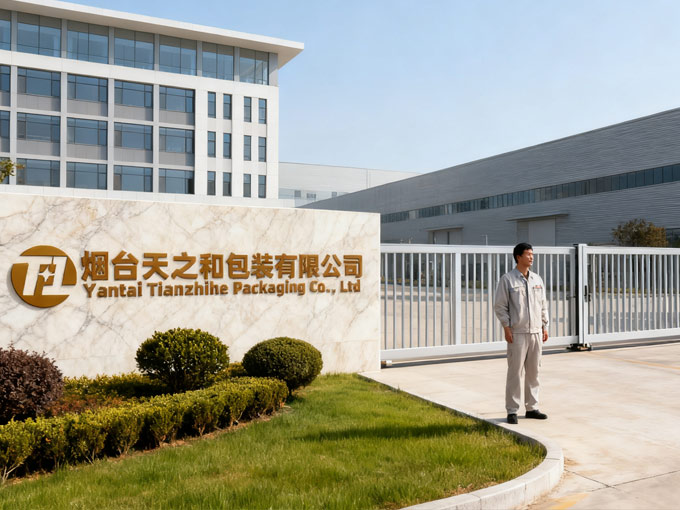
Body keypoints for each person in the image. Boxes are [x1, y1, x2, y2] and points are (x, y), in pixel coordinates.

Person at [494, 242, 549, 424]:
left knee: (534, 372)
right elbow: (500, 306)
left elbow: (543, 305)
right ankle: (512, 410)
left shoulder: (537, 279)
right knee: (515, 373)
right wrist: (506, 327)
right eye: (528, 254)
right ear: (518, 257)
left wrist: (544, 326)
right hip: (517, 333)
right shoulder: (508, 280)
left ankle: (532, 408)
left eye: (532, 254)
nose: (531, 257)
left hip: (535, 332)